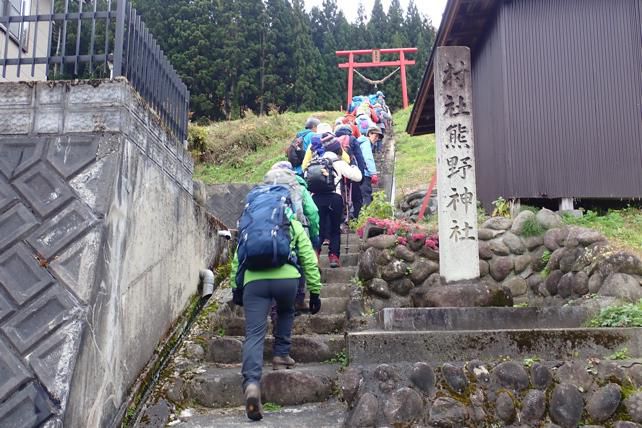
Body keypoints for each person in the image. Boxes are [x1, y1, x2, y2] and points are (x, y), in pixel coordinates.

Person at [230, 192, 322, 421]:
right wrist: (315, 290)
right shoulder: (290, 221)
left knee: (253, 334)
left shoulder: (249, 223)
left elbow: (237, 257)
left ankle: (251, 384)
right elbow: (308, 256)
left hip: (254, 281)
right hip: (287, 279)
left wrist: (236, 288)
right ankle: (281, 354)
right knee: (285, 311)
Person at [263, 161, 320, 312]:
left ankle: (273, 304)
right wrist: (314, 236)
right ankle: (298, 300)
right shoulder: (300, 188)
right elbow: (312, 212)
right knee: (300, 263)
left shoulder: (265, 190)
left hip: (269, 231)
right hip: (298, 230)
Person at [309, 139, 362, 267]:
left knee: (319, 229)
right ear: (338, 150)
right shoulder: (338, 162)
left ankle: (315, 254)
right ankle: (333, 257)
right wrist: (354, 166)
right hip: (334, 198)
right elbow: (357, 177)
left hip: (316, 198)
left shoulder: (315, 162)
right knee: (334, 229)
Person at [357, 126, 380, 206]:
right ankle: (366, 216)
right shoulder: (366, 143)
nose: (376, 139)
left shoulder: (361, 142)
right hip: (365, 174)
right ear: (369, 134)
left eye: (378, 137)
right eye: (376, 136)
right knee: (366, 196)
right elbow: (368, 158)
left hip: (358, 174)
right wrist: (373, 173)